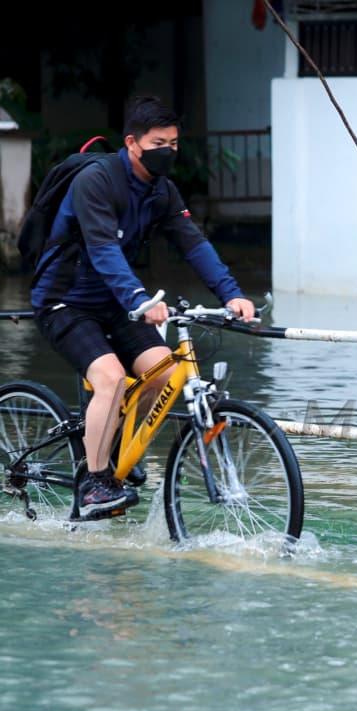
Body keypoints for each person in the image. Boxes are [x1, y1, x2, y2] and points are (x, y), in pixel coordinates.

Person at [31, 96, 255, 516]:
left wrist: (232, 294)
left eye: (173, 143)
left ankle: (121, 451)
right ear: (132, 143)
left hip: (118, 304)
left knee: (166, 372)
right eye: (158, 142)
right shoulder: (96, 181)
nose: (167, 151)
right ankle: (96, 483)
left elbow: (193, 242)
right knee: (112, 378)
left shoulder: (161, 191)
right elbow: (102, 249)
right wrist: (138, 298)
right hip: (66, 302)